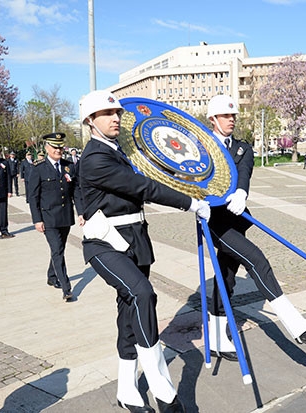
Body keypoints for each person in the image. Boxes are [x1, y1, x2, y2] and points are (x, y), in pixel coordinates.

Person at [79, 90, 209, 413]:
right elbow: (142, 187)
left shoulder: (118, 150)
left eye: (117, 113)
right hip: (105, 244)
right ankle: (164, 391)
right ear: (90, 120)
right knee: (142, 294)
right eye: (107, 114)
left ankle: (127, 391)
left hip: (135, 240)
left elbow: (151, 176)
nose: (115, 118)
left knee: (128, 316)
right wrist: (189, 203)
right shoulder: (95, 158)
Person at [205, 95, 306, 362]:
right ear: (212, 119)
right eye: (225, 116)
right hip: (213, 221)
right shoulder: (201, 147)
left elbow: (244, 172)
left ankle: (215, 337)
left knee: (226, 277)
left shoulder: (242, 148)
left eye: (233, 116)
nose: (231, 120)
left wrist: (241, 192)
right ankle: (296, 324)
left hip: (237, 218)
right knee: (257, 259)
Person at [28, 133, 82, 302]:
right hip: (49, 217)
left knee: (59, 249)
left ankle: (52, 275)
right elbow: (33, 196)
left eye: (60, 147)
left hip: (65, 216)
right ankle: (66, 288)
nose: (58, 150)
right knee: (57, 250)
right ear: (47, 148)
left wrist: (81, 212)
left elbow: (75, 191)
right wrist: (37, 220)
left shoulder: (68, 166)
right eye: (54, 147)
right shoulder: (38, 168)